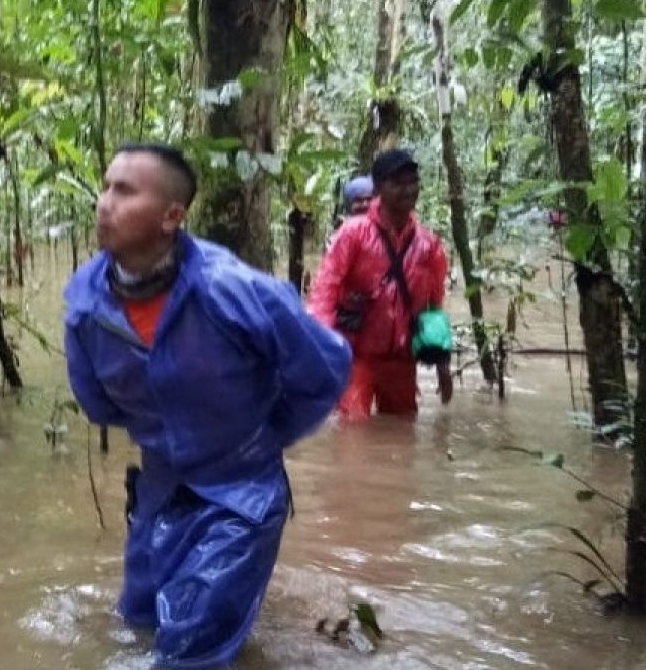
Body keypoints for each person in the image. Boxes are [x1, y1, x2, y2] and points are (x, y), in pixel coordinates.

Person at [63, 144, 351, 669]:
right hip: (158, 489)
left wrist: (261, 438)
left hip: (240, 496)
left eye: (125, 191)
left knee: (190, 652)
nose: (105, 202)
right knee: (138, 622)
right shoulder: (86, 301)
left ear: (172, 216)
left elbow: (325, 369)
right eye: (105, 187)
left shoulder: (233, 290)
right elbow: (98, 404)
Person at [309, 147, 452, 421]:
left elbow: (434, 307)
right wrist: (319, 350)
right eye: (398, 183)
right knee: (353, 435)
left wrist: (442, 364)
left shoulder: (429, 245)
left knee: (402, 433)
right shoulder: (352, 234)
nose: (408, 190)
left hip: (402, 360)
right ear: (380, 189)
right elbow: (325, 292)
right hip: (356, 356)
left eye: (413, 182)